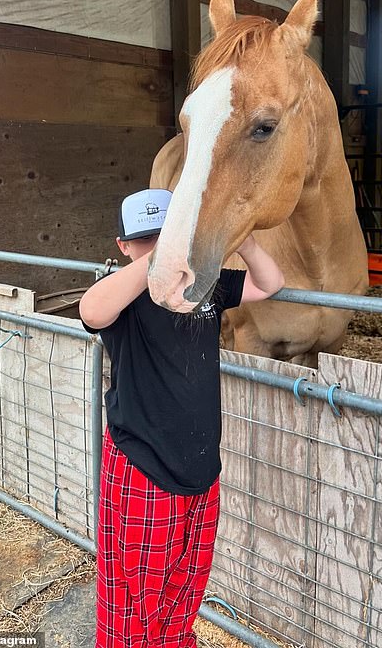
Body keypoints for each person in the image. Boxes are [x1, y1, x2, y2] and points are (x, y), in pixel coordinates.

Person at [79, 188, 285, 648]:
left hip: (200, 468)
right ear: (124, 247)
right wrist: (157, 263)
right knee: (134, 600)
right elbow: (90, 311)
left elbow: (270, 283)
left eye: (168, 236)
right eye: (146, 240)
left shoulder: (204, 285)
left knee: (185, 591)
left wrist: (245, 239)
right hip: (144, 467)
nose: (159, 248)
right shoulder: (123, 299)